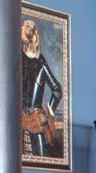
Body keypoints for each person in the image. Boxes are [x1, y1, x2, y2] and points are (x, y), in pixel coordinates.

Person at [21, 19, 63, 157]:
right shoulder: (41, 62)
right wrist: (49, 111)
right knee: (39, 162)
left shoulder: (15, 59)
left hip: (19, 121)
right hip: (36, 122)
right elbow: (57, 90)